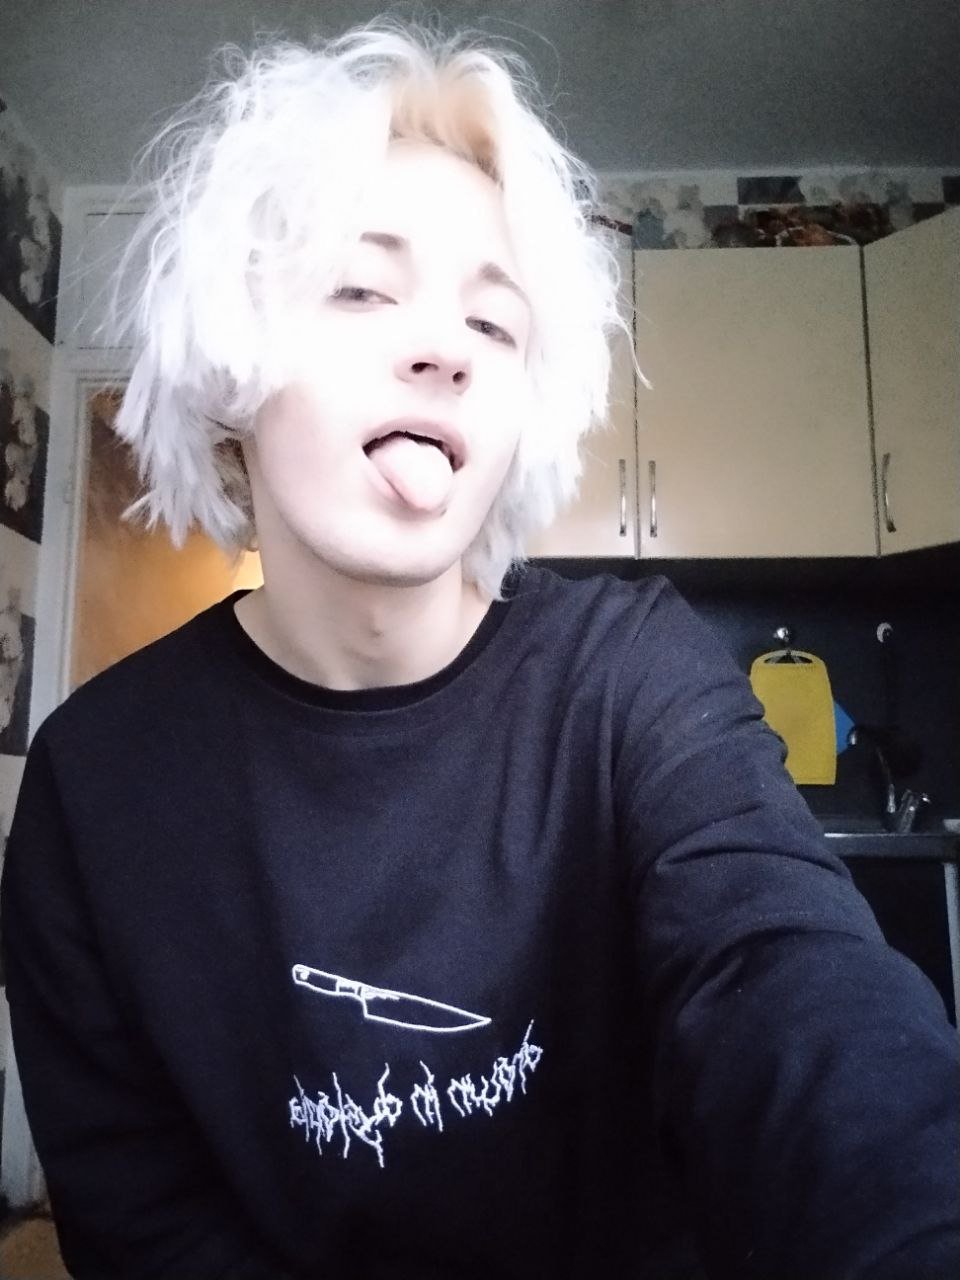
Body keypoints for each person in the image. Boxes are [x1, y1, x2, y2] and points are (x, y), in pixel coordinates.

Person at [2, 17, 958, 1280]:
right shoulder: (92, 782)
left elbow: (798, 989)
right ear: (232, 358)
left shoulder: (632, 678)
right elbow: (144, 1225)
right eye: (361, 287)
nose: (444, 347)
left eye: (495, 324)